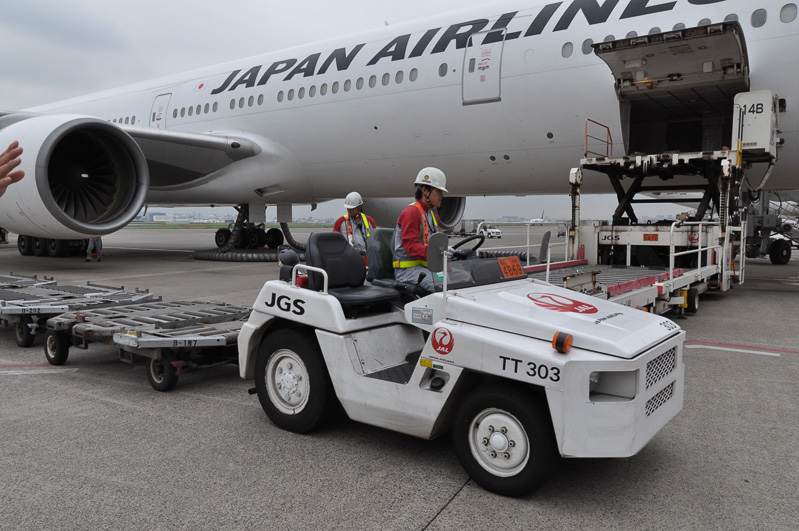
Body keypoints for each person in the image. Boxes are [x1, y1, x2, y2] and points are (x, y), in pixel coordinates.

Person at [392, 167, 448, 294]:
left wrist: (450, 252)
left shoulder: (431, 215)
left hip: (425, 267)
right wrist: (439, 253)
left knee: (463, 277)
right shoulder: (411, 212)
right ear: (425, 191)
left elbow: (433, 244)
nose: (442, 196)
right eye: (439, 191)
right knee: (444, 286)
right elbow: (411, 246)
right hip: (408, 271)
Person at [333, 191, 376, 264]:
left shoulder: (369, 221)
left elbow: (376, 241)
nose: (349, 210)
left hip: (367, 259)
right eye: (348, 208)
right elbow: (334, 243)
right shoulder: (340, 222)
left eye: (352, 208)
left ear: (359, 207)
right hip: (348, 260)